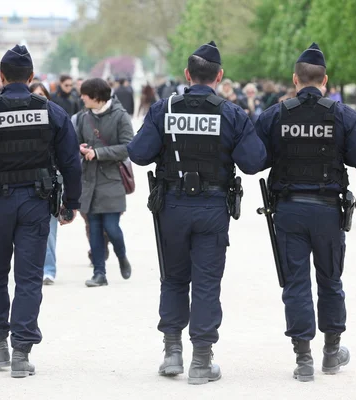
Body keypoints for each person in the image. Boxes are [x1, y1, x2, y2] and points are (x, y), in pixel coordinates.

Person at [128, 41, 267, 385]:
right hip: (211, 207)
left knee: (173, 278)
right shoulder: (232, 113)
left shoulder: (165, 109)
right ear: (219, 76)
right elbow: (253, 162)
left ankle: (172, 352)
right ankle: (202, 361)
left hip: (172, 206)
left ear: (188, 75)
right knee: (206, 282)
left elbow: (139, 154)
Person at [0, 45, 82, 377]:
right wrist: (73, 203)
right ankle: (21, 354)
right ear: (31, 77)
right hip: (36, 204)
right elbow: (71, 162)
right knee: (29, 279)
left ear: (0, 76)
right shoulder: (51, 111)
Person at [255, 43, 356, 382]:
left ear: (295, 79)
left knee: (295, 283)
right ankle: (332, 352)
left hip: (290, 211)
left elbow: (252, 161)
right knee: (330, 281)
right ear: (325, 80)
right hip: (327, 212)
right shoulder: (343, 114)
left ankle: (303, 358)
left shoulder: (276, 114)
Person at [75, 78, 133, 287]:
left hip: (111, 180)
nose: (81, 97)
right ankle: (99, 273)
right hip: (89, 180)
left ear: (96, 97)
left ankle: (122, 255)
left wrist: (98, 153)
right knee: (94, 228)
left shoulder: (120, 116)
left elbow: (128, 147)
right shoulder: (83, 118)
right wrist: (80, 149)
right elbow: (75, 143)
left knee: (112, 227)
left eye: (85, 94)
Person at [29, 82, 59, 285]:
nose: (40, 98)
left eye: (43, 95)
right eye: (35, 95)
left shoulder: (57, 119)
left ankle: (48, 269)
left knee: (49, 228)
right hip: (27, 179)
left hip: (51, 178)